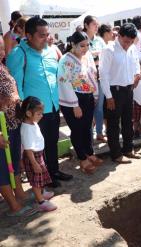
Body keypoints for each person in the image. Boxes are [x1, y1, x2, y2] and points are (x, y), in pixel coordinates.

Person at [6, 16, 73, 188]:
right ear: (28, 35)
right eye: (41, 35)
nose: (46, 38)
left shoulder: (50, 51)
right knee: (35, 148)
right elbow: (15, 86)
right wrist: (23, 113)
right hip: (32, 113)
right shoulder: (18, 54)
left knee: (51, 142)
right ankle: (41, 179)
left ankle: (53, 171)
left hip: (52, 106)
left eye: (47, 34)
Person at [0, 35, 37, 217]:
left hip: (12, 122)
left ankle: (19, 193)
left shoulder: (3, 66)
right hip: (2, 127)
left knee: (14, 159)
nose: (1, 52)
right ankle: (14, 205)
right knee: (2, 167)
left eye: (2, 48)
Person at [58, 31, 103, 175]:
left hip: (87, 95)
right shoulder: (66, 60)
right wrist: (74, 104)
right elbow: (64, 82)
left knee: (87, 126)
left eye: (87, 45)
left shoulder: (87, 56)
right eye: (82, 46)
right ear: (73, 45)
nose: (85, 48)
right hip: (73, 98)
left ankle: (89, 152)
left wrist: (94, 94)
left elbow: (93, 75)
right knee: (77, 128)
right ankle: (82, 157)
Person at [99, 23, 141, 164]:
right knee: (113, 124)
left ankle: (128, 149)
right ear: (119, 36)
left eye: (130, 42)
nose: (127, 45)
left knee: (128, 121)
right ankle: (116, 154)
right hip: (114, 91)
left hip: (129, 89)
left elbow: (136, 62)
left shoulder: (132, 48)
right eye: (125, 41)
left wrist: (137, 74)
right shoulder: (108, 49)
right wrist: (109, 96)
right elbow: (103, 74)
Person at [20, 97, 57, 212]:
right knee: (36, 180)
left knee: (41, 176)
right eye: (39, 114)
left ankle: (42, 192)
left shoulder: (32, 123)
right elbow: (28, 149)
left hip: (38, 154)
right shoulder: (26, 128)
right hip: (33, 157)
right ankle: (40, 201)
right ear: (28, 113)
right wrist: (34, 163)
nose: (41, 116)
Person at [83, 15, 107, 143]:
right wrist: (94, 56)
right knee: (87, 107)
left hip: (100, 77)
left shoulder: (100, 41)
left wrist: (95, 56)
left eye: (97, 25)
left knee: (99, 106)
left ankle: (99, 132)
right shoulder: (80, 38)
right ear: (86, 25)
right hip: (85, 79)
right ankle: (88, 135)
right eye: (94, 24)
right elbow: (80, 56)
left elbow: (105, 55)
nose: (97, 27)